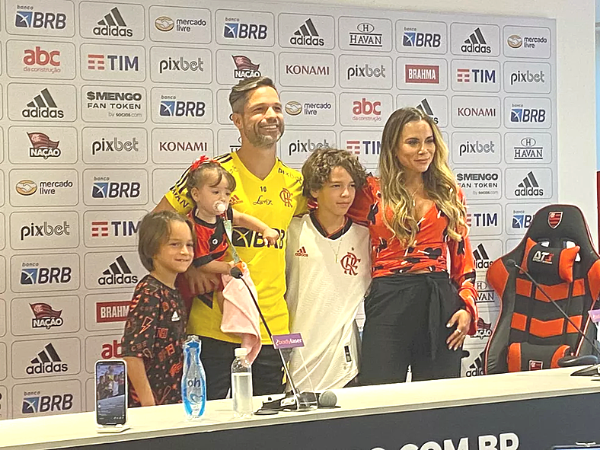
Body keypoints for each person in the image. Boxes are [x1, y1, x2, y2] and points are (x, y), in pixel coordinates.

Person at [154, 76, 306, 399]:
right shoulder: (211, 175)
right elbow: (156, 226)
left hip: (272, 328)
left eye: (277, 108)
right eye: (259, 109)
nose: (271, 116)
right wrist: (190, 266)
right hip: (215, 329)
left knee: (270, 423)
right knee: (209, 424)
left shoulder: (295, 183)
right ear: (237, 120)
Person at [350, 107, 478, 384]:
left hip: (439, 301)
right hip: (388, 299)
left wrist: (467, 306)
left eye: (429, 141)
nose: (424, 150)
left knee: (439, 398)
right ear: (393, 148)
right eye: (413, 142)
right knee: (379, 395)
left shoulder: (449, 192)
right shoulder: (370, 192)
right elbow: (323, 208)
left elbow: (463, 257)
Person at [285, 148, 371, 391]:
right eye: (336, 186)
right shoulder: (293, 231)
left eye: (351, 186)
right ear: (315, 189)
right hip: (296, 358)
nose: (346, 194)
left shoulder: (366, 237)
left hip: (344, 367)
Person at [176, 156, 279, 313]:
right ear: (196, 194)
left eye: (227, 193)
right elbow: (203, 263)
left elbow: (241, 218)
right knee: (186, 305)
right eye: (215, 192)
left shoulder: (223, 214)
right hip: (199, 275)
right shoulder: (195, 228)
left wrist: (265, 229)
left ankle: (233, 320)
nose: (222, 198)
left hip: (218, 268)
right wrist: (227, 267)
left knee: (229, 290)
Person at [121, 211, 194, 407]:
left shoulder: (175, 291)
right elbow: (132, 354)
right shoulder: (150, 292)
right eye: (174, 244)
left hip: (173, 401)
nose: (185, 252)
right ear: (152, 249)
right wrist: (148, 404)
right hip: (151, 407)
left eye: (189, 245)